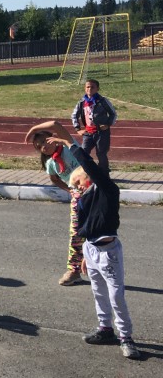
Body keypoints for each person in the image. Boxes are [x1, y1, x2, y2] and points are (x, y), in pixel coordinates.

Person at [44, 135, 140, 359]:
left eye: (77, 183)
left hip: (109, 252)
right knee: (98, 291)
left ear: (88, 177)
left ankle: (126, 337)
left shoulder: (108, 190)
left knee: (116, 295)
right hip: (91, 249)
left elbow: (89, 165)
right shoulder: (84, 200)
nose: (76, 188)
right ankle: (105, 329)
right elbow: (86, 228)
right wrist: (85, 255)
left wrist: (68, 143)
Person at [24, 120, 85, 286]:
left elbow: (55, 124)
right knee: (76, 234)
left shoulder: (70, 146)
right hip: (78, 196)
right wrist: (69, 190)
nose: (43, 146)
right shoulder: (50, 164)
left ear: (53, 137)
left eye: (45, 141)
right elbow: (54, 179)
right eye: (39, 146)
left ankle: (104, 268)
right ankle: (74, 270)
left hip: (95, 191)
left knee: (100, 232)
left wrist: (33, 129)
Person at [70, 79, 117, 174]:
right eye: (88, 87)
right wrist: (78, 129)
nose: (90, 89)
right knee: (83, 152)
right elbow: (74, 115)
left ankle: (104, 173)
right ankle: (86, 172)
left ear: (97, 89)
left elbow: (113, 114)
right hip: (88, 133)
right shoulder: (82, 102)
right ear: (85, 88)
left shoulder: (102, 101)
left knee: (101, 153)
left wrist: (108, 124)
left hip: (101, 133)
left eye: (92, 87)